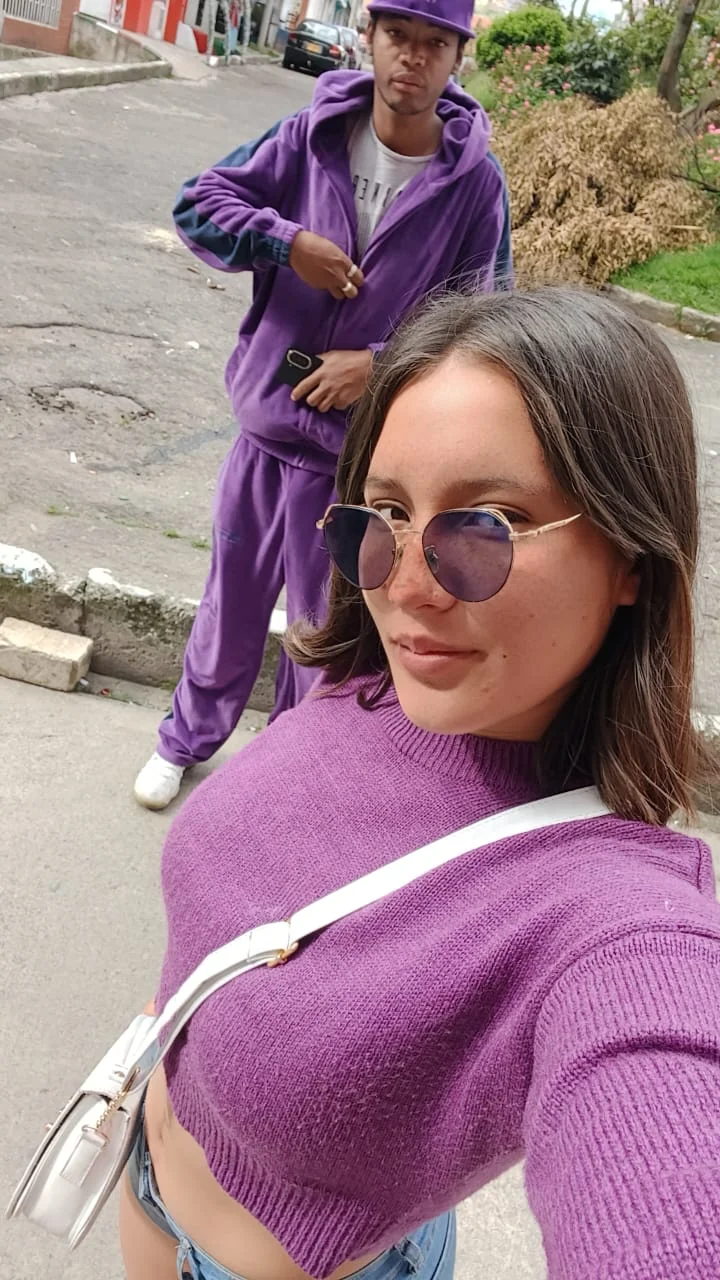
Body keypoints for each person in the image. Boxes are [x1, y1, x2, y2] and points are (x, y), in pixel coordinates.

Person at [120, 287, 720, 1280]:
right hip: (142, 1169)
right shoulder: (373, 685)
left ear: (631, 557)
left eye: (489, 523)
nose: (404, 584)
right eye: (389, 512)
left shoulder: (612, 914)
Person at [133, 0, 513, 810]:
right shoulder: (307, 139)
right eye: (399, 35)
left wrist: (378, 367)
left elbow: (483, 322)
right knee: (230, 602)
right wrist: (285, 243)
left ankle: (286, 779)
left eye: (435, 42)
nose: (413, 57)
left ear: (458, 59)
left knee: (326, 632)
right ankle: (183, 741)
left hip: (363, 466)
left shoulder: (474, 184)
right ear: (369, 39)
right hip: (267, 435)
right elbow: (198, 206)